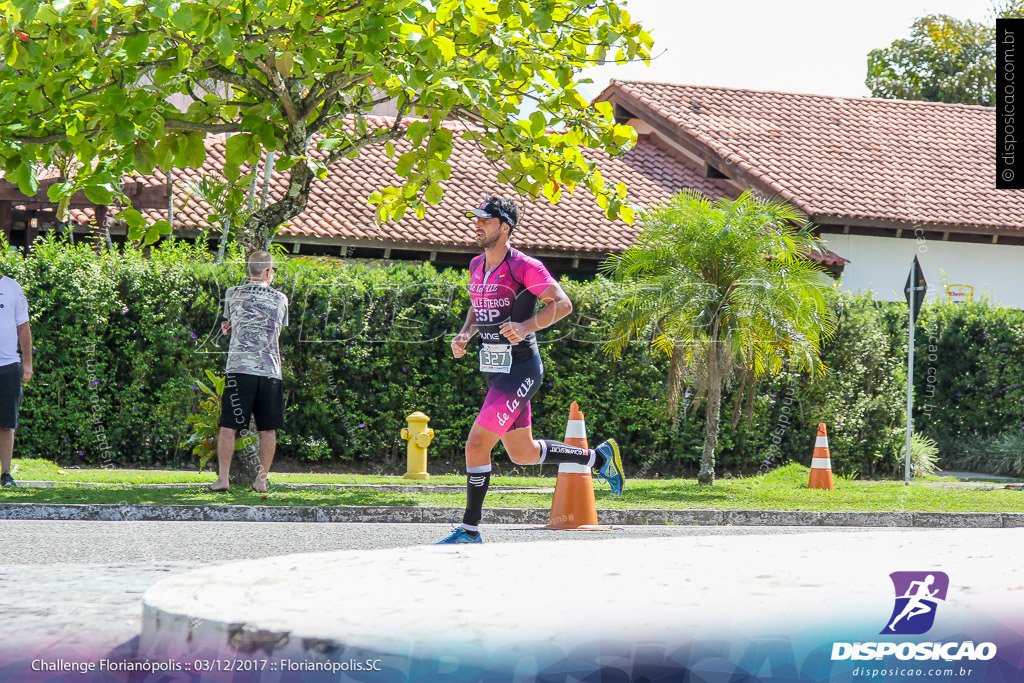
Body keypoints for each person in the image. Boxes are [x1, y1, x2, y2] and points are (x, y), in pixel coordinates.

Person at [437, 197, 624, 544]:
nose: (476, 225)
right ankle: (598, 458)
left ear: (504, 227)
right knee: (522, 453)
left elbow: (563, 304)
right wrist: (465, 334)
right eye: (475, 220)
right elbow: (479, 308)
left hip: (521, 369)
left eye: (485, 221)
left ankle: (470, 529)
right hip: (494, 368)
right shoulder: (477, 264)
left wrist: (526, 327)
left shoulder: (525, 266)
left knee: (476, 445)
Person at [209, 251, 289, 493]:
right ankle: (261, 481)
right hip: (269, 371)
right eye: (273, 270)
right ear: (267, 272)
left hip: (239, 369)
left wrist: (232, 329)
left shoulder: (232, 294)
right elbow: (277, 332)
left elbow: (230, 326)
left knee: (228, 425)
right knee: (268, 429)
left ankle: (223, 479)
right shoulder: (280, 298)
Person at [0, 271, 32, 487]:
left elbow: (23, 327)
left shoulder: (13, 287)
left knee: (6, 425)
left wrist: (27, 363)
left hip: (8, 366)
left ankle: (6, 474)